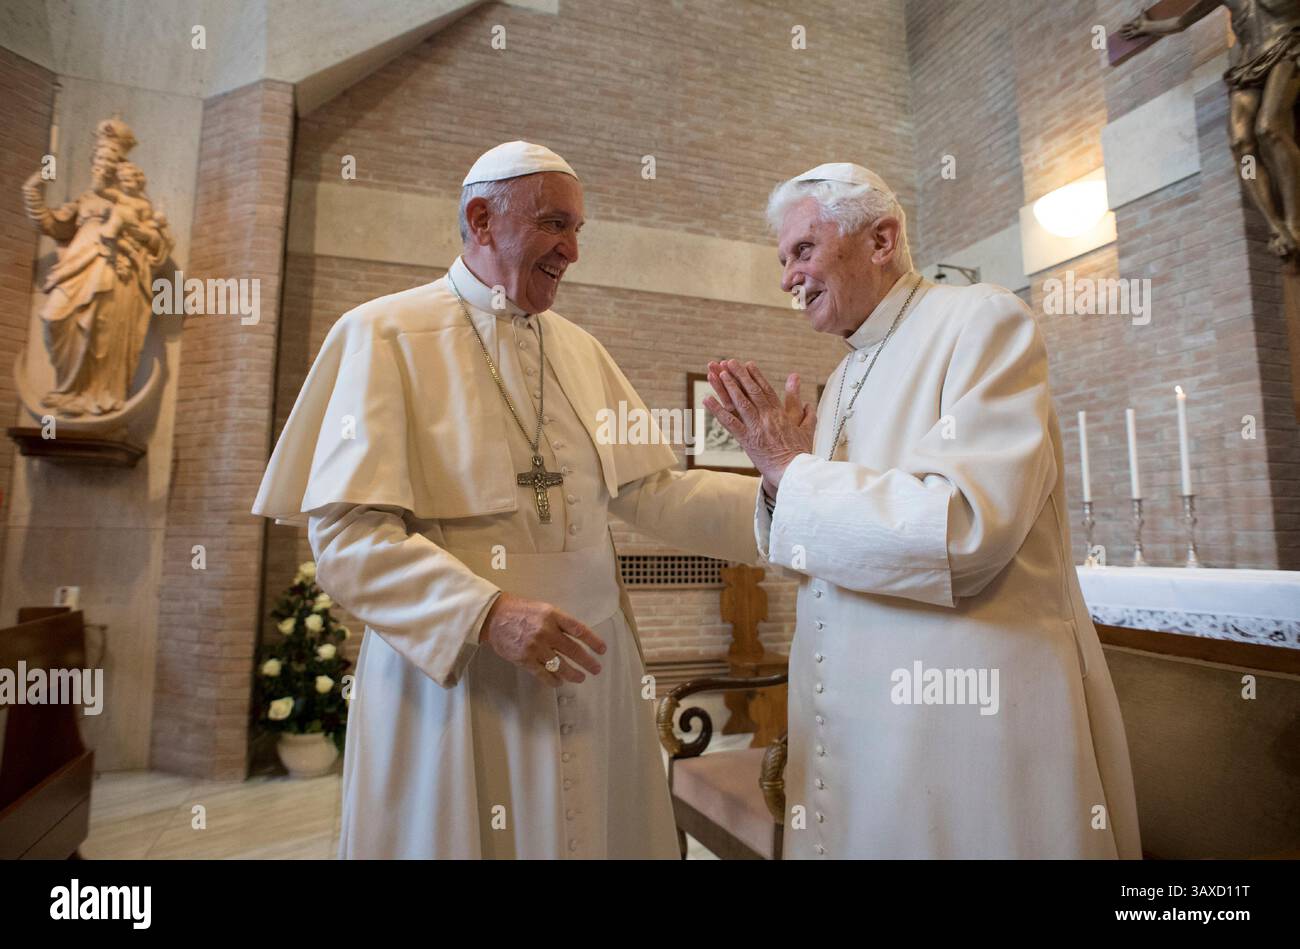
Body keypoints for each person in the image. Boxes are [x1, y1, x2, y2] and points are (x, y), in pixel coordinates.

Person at [252, 141, 761, 858]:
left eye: (579, 230)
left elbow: (653, 491)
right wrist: (485, 613)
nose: (572, 251)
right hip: (461, 681)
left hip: (592, 669)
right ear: (481, 219)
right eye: (556, 224)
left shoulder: (581, 350)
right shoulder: (383, 334)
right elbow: (348, 541)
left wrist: (783, 494)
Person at [704, 162, 1142, 858]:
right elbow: (835, 544)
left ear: (881, 239)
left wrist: (793, 469)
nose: (788, 276)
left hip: (963, 723)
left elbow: (967, 527)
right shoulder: (847, 370)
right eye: (783, 259)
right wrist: (777, 481)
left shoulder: (981, 320)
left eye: (803, 250)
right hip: (862, 720)